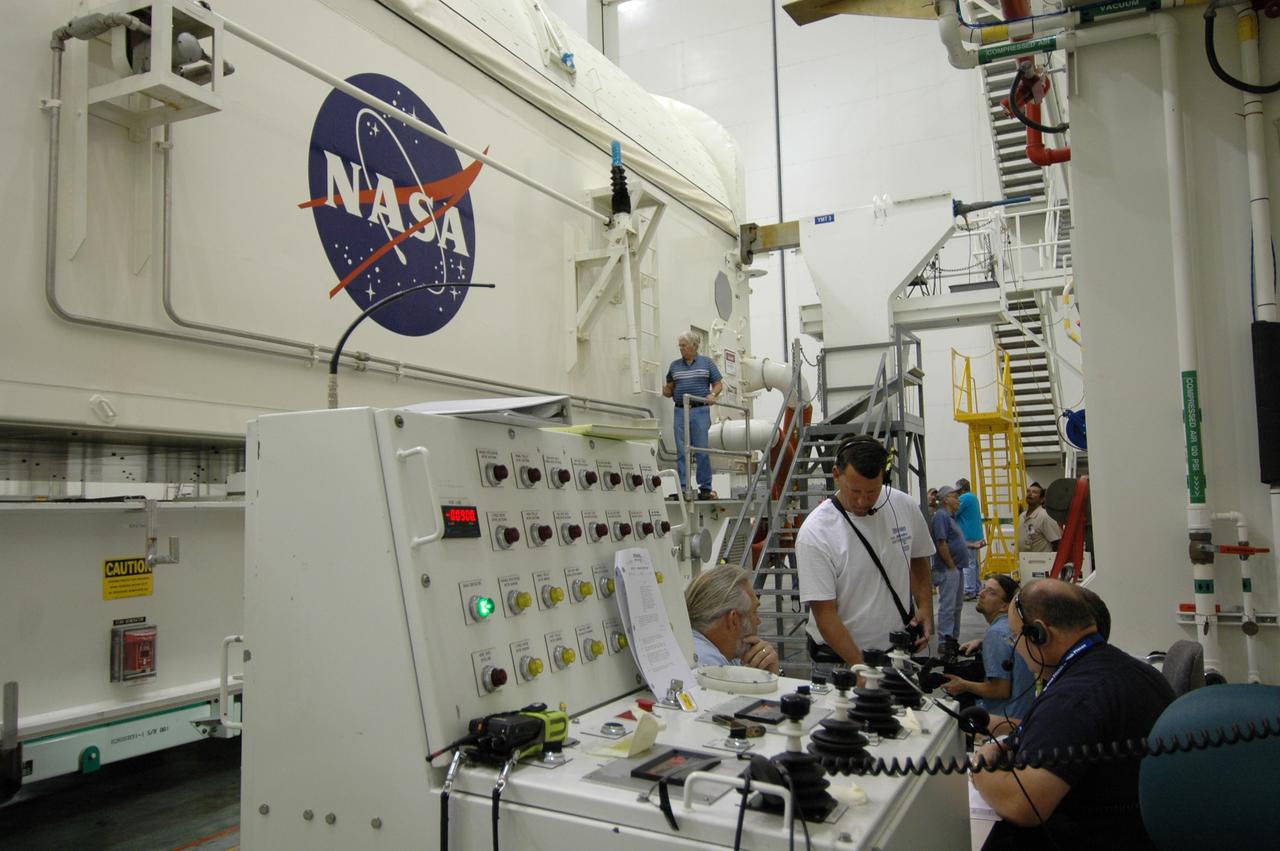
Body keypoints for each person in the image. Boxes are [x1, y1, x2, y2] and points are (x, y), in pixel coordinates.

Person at [973, 579, 1175, 850]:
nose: (1017, 648)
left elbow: (1023, 804)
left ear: (1039, 634)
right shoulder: (1133, 670)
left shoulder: (1073, 699)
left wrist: (982, 768)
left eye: (1015, 637)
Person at [795, 435, 935, 664]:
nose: (862, 501)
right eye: (855, 491)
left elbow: (918, 558)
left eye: (872, 492)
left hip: (897, 655)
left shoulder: (904, 507)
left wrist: (926, 608)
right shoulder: (816, 533)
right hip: (842, 661)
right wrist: (860, 668)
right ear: (836, 475)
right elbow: (825, 614)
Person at [942, 574, 1035, 726]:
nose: (981, 593)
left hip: (1004, 721)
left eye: (991, 592)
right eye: (984, 588)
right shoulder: (1012, 627)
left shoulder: (996, 634)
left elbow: (1000, 690)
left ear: (1004, 606)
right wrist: (983, 642)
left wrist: (963, 684)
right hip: (1024, 715)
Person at [684, 564, 778, 673]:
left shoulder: (696, 647)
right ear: (733, 620)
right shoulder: (711, 669)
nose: (758, 621)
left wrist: (765, 673)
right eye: (754, 612)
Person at [663, 332, 723, 500]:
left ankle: (705, 488)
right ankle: (683, 488)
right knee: (682, 451)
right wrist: (665, 390)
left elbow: (718, 383)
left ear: (694, 346)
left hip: (700, 410)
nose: (681, 348)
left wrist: (712, 394)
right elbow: (670, 388)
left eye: (684, 345)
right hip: (680, 410)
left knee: (701, 449)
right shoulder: (674, 366)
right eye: (680, 345)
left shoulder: (707, 363)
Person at [930, 485, 966, 652]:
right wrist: (951, 566)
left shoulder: (951, 518)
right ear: (945, 500)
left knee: (957, 606)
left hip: (956, 568)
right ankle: (945, 640)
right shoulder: (941, 516)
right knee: (948, 606)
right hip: (948, 569)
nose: (958, 500)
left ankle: (953, 639)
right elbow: (941, 542)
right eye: (955, 496)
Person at [954, 477, 985, 599]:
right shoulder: (973, 497)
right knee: (974, 564)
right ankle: (976, 588)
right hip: (975, 534)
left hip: (968, 535)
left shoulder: (965, 498)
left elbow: (953, 511)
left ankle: (969, 590)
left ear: (961, 489)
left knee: (968, 564)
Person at [1019, 482, 1062, 553]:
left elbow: (1057, 543)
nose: (1030, 494)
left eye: (1034, 492)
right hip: (1024, 561)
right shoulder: (1022, 516)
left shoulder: (1045, 516)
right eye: (1028, 491)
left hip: (1040, 562)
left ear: (1042, 499)